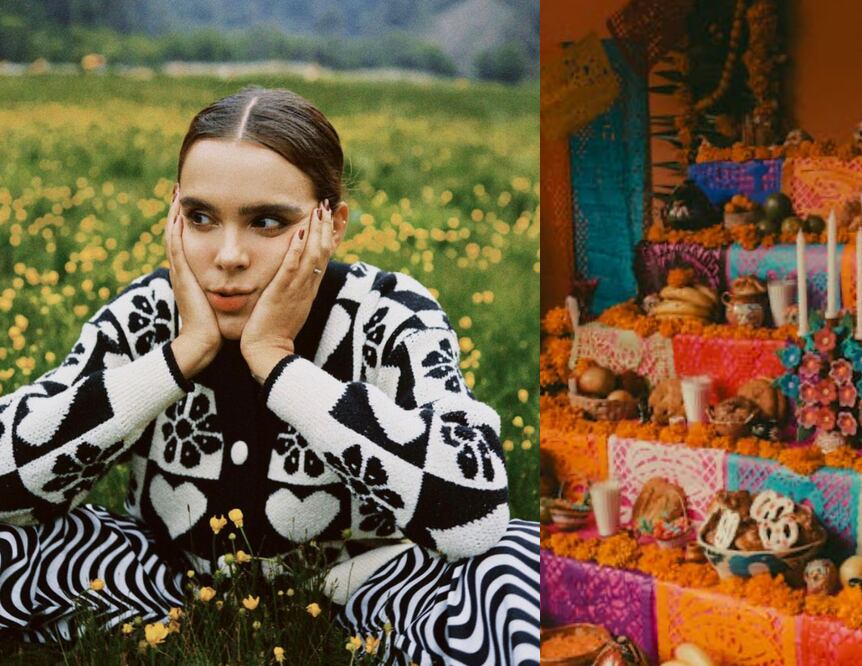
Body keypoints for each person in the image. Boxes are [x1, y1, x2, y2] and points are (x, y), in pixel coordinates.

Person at [0, 86, 540, 665]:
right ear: (174, 215)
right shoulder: (147, 314)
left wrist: (277, 363)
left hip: (364, 587)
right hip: (160, 579)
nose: (227, 255)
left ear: (331, 223)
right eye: (201, 217)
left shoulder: (389, 315)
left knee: (520, 565)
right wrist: (181, 356)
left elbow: (476, 516)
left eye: (266, 222)